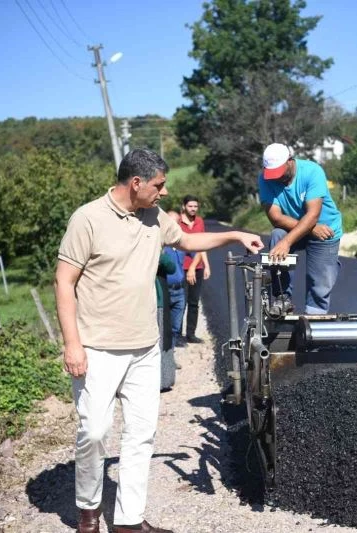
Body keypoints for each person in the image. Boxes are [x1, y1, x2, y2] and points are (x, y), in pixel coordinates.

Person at [54, 148, 262, 533]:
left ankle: (130, 521)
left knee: (141, 433)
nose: (164, 192)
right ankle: (88, 511)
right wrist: (72, 344)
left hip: (145, 347)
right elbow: (64, 281)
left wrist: (235, 235)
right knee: (94, 432)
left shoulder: (154, 216)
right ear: (136, 183)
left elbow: (185, 243)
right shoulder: (87, 219)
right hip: (97, 348)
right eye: (158, 185)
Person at [259, 142, 343, 315]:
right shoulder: (265, 178)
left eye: (279, 172)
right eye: (272, 174)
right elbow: (275, 217)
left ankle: (315, 315)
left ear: (290, 161)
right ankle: (282, 299)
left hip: (325, 229)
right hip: (302, 227)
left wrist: (288, 241)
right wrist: (307, 230)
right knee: (277, 236)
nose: (276, 178)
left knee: (320, 281)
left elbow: (313, 215)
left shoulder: (312, 171)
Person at [177, 195, 209, 343]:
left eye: (195, 206)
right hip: (181, 267)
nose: (193, 209)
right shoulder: (176, 222)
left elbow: (202, 245)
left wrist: (206, 265)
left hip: (197, 267)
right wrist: (188, 268)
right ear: (184, 206)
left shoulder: (200, 222)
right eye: (190, 206)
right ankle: (176, 333)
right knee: (180, 302)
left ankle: (190, 334)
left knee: (194, 302)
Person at [164, 211, 192, 349]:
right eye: (170, 222)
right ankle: (163, 360)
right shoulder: (161, 243)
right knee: (163, 327)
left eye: (176, 222)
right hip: (164, 291)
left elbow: (197, 250)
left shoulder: (181, 243)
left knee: (175, 327)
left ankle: (171, 357)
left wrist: (192, 268)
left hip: (179, 290)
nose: (173, 225)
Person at [155, 246, 178, 388]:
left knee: (164, 339)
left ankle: (165, 378)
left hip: (160, 298)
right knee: (161, 340)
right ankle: (162, 380)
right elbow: (170, 266)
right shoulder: (155, 252)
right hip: (157, 301)